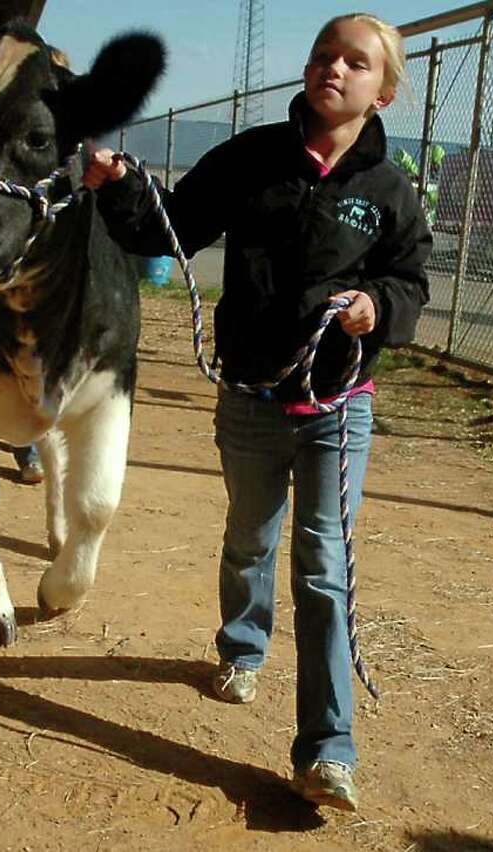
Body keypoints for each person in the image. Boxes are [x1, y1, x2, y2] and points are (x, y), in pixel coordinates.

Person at [83, 13, 431, 812]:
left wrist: (378, 305)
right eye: (322, 56)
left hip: (339, 405)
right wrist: (126, 188)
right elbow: (175, 225)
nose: (333, 70)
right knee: (250, 534)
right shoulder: (252, 158)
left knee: (322, 568)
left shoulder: (389, 189)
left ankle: (328, 753)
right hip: (250, 394)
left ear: (385, 90)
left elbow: (411, 280)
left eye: (355, 62)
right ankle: (243, 647)